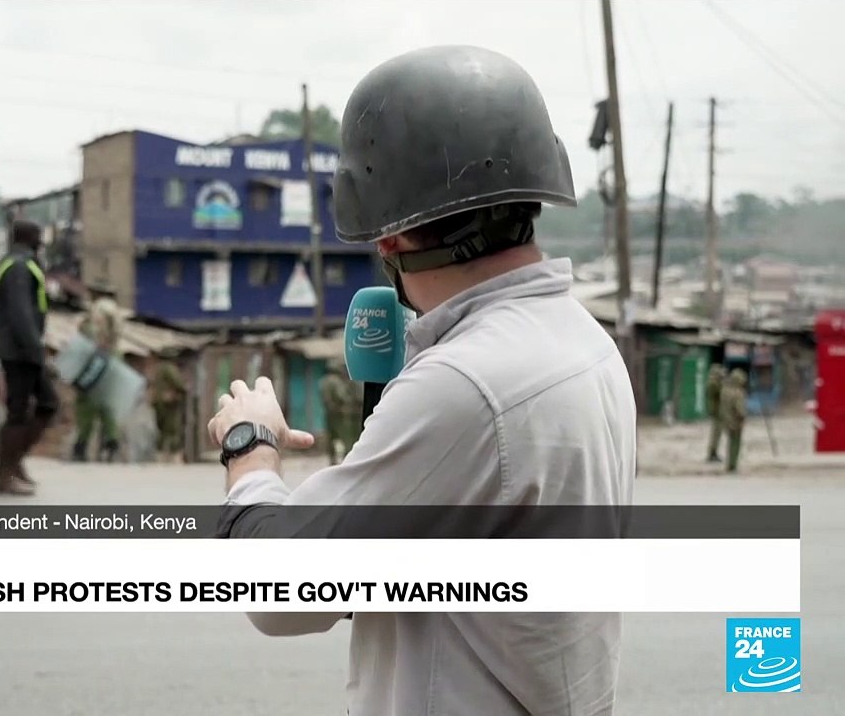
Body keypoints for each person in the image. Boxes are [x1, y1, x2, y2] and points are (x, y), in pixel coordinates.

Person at [207, 46, 637, 716]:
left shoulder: (466, 385)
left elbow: (279, 598)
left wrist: (249, 451)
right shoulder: (586, 343)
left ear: (391, 238)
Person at [0, 220, 58, 496]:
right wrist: (36, 351)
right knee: (19, 412)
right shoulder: (19, 266)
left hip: (19, 349)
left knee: (46, 404)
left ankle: (14, 464)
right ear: (31, 239)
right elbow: (21, 314)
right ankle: (5, 476)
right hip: (20, 351)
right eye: (39, 238)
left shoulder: (17, 262)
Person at [71, 284, 124, 462]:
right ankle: (110, 444)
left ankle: (83, 446)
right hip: (107, 367)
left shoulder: (90, 325)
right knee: (106, 407)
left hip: (93, 369)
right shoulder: (115, 344)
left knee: (87, 408)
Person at [317, 356, 361, 465]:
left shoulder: (322, 381)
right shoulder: (336, 381)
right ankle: (348, 458)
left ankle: (332, 459)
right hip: (341, 414)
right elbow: (342, 397)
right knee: (346, 436)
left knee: (331, 437)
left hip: (329, 412)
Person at [149, 355, 187, 463]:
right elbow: (178, 383)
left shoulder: (157, 368)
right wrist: (184, 389)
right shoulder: (169, 368)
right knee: (173, 430)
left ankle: (160, 457)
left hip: (158, 402)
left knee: (161, 430)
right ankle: (174, 457)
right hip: (169, 403)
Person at [719, 368, 748, 473]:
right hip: (736, 422)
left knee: (730, 443)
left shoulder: (725, 390)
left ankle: (729, 465)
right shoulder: (738, 393)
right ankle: (733, 465)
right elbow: (740, 409)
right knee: (736, 444)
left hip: (726, 421)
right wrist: (744, 417)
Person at [705, 363, 725, 463]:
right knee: (716, 434)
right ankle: (712, 453)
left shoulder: (713, 382)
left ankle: (713, 452)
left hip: (716, 410)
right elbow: (721, 392)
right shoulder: (713, 383)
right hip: (717, 411)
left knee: (716, 433)